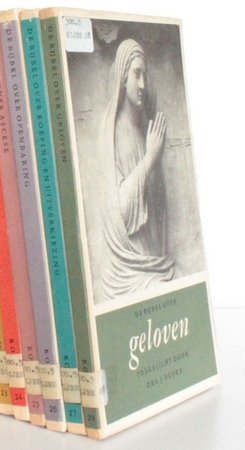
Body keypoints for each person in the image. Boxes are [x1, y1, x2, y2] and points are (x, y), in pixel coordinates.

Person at [100, 39, 175, 301]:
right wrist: (150, 158)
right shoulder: (111, 133)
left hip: (153, 261)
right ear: (122, 78)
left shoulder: (144, 130)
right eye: (136, 74)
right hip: (127, 272)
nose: (142, 84)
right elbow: (120, 210)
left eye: (145, 75)